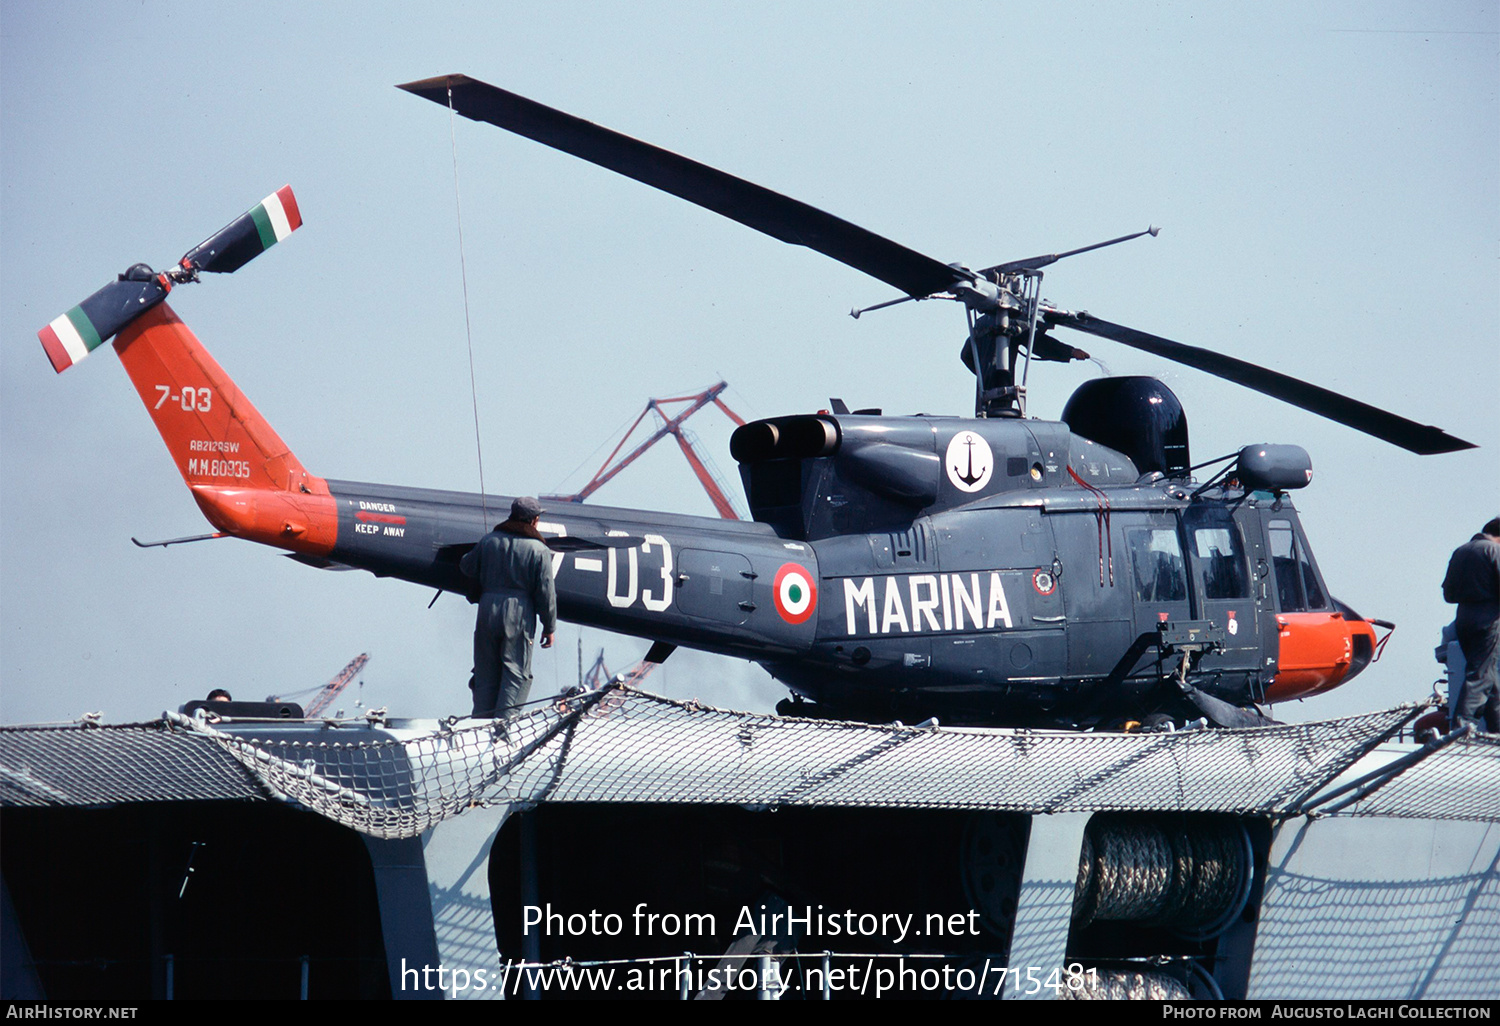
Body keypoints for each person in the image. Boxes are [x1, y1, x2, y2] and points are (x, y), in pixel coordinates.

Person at [460, 496, 557, 721]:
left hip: (487, 609)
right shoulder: (539, 550)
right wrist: (549, 626)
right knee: (515, 673)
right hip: (519, 613)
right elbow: (546, 592)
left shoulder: (489, 541)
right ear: (534, 521)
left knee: (485, 672)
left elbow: (467, 566)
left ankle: (479, 726)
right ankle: (503, 728)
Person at [1443, 517, 1500, 733]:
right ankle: (1461, 729)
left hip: (1464, 618)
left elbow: (1448, 594)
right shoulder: (1494, 551)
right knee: (1481, 676)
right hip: (1489, 619)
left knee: (1491, 682)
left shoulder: (1461, 551)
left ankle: (1496, 731)